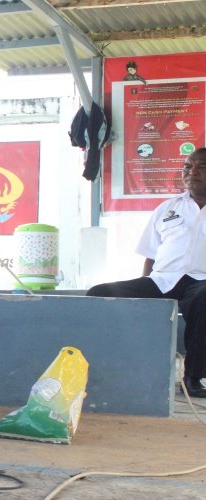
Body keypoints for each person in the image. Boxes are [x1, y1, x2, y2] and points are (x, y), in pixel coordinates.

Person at [87, 148, 206, 398]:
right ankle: (100, 368)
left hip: (201, 282)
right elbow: (151, 254)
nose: (192, 172)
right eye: (187, 166)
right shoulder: (168, 208)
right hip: (162, 279)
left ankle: (193, 377)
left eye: (201, 167)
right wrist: (144, 283)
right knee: (99, 293)